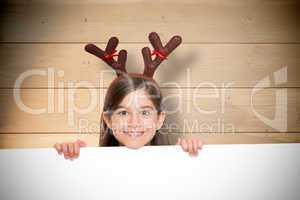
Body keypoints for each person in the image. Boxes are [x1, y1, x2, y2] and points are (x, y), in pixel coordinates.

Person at [54, 32, 204, 160]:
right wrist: (69, 154)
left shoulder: (175, 159)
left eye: (145, 112)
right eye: (123, 112)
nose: (134, 122)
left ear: (159, 119)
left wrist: (185, 155)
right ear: (108, 120)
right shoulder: (93, 162)